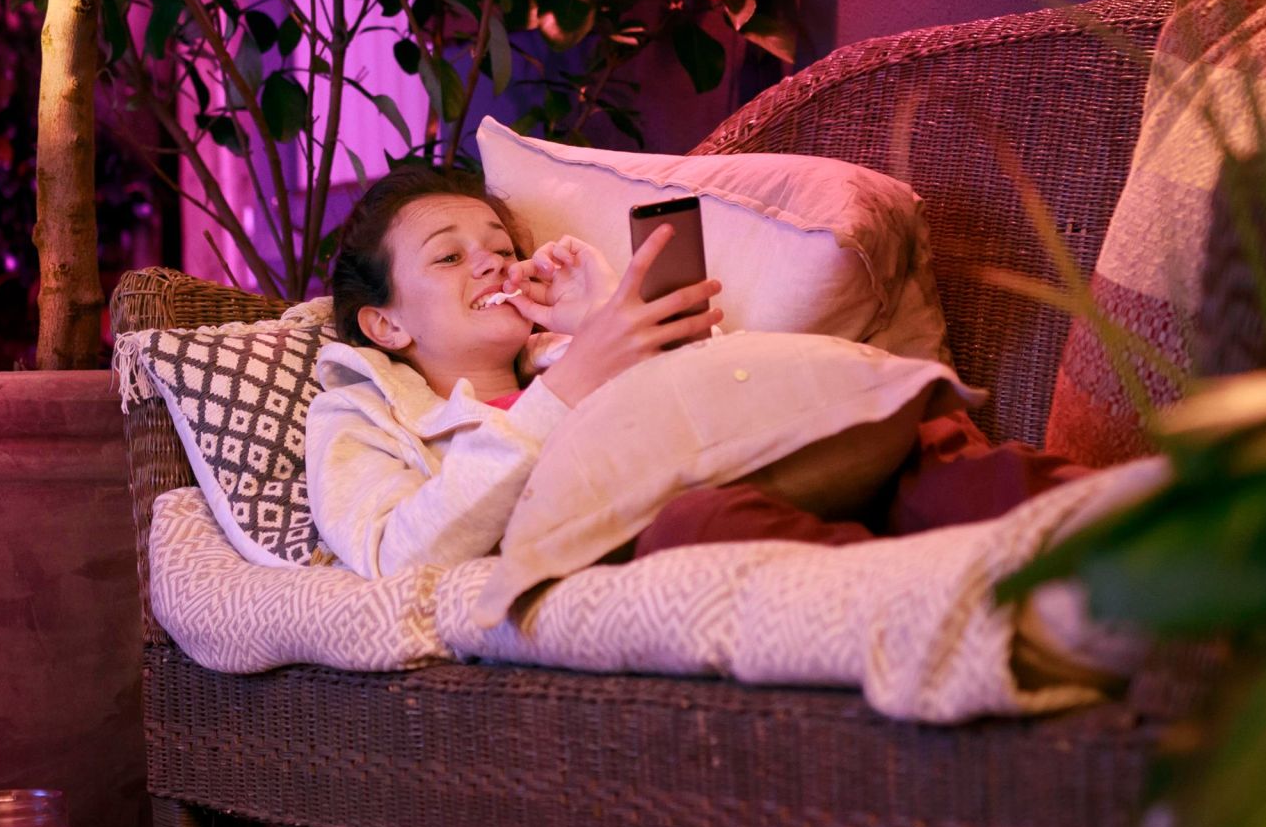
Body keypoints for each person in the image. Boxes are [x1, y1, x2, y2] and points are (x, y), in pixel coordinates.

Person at [306, 166, 1088, 585]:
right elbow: (398, 556)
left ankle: (1132, 532)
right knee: (700, 528)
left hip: (769, 466)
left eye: (501, 248)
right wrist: (568, 386)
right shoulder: (362, 415)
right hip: (665, 521)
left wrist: (596, 323)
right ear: (386, 323)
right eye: (449, 256)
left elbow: (711, 412)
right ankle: (956, 590)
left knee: (927, 441)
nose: (491, 261)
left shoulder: (567, 351)